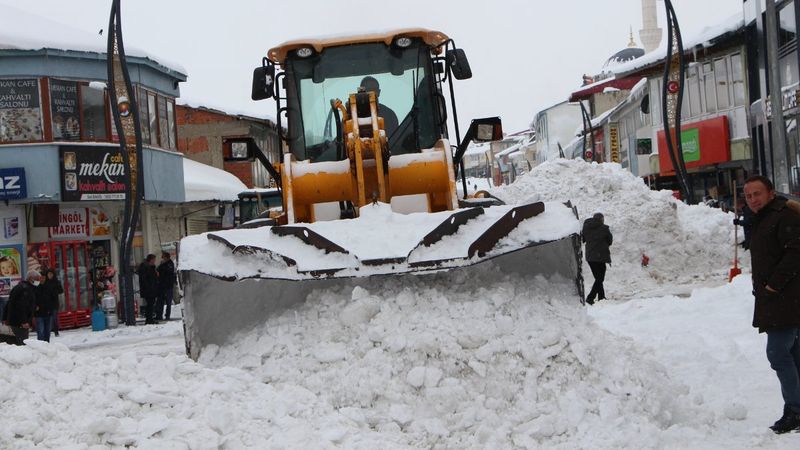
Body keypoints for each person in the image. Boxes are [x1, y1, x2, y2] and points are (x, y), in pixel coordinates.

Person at [743, 175, 800, 434]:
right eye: (748, 196)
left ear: (771, 193)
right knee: (794, 353)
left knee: (778, 353)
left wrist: (773, 286)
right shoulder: (764, 218)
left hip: (786, 299)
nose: (753, 199)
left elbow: (795, 254)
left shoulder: (783, 217)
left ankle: (796, 410)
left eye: (757, 194)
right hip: (780, 300)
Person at [2, 271, 40, 345]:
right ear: (31, 279)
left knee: (13, 344)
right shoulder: (26, 290)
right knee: (21, 345)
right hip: (20, 324)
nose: (38, 281)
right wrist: (24, 321)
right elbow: (21, 306)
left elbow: (9, 303)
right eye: (37, 279)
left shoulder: (19, 287)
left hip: (13, 321)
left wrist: (5, 318)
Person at [582, 212, 613, 305]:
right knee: (600, 278)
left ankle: (601, 297)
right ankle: (590, 298)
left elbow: (583, 239)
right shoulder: (604, 229)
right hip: (600, 257)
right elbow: (610, 241)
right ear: (601, 219)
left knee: (598, 278)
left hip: (590, 257)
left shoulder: (587, 227)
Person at [137, 254, 159, 325]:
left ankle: (150, 319)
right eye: (154, 260)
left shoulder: (151, 267)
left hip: (151, 288)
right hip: (148, 289)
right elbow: (145, 279)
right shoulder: (145, 267)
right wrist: (149, 287)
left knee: (151, 304)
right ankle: (149, 319)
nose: (154, 261)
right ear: (151, 259)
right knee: (150, 304)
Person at [41, 269, 64, 338]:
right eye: (48, 274)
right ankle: (48, 330)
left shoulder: (56, 282)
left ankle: (56, 331)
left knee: (54, 317)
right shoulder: (45, 282)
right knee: (47, 317)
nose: (50, 276)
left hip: (54, 303)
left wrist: (54, 291)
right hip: (46, 303)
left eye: (51, 274)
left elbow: (61, 291)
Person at [156, 251, 176, 321]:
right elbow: (157, 270)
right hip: (162, 286)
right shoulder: (163, 264)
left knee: (168, 302)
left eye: (163, 257)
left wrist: (162, 265)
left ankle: (167, 315)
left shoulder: (170, 264)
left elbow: (168, 271)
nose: (162, 258)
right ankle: (159, 315)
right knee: (160, 301)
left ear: (166, 257)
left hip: (168, 286)